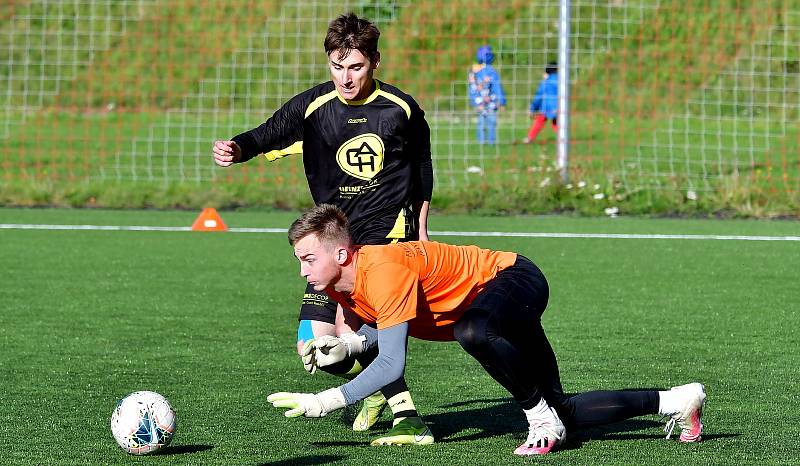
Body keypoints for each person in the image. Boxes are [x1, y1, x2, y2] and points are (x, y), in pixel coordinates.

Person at [268, 204, 707, 456]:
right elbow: (391, 330)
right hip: (494, 309)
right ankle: (678, 400)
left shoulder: (380, 269)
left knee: (472, 331)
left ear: (343, 254)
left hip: (515, 280)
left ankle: (538, 420)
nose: (302, 269)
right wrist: (349, 343)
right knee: (565, 412)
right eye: (299, 260)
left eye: (308, 258)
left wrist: (326, 401)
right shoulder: (344, 287)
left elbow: (392, 363)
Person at [211, 13, 434, 445]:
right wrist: (237, 148)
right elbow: (269, 133)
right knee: (314, 348)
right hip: (334, 237)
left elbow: (422, 168)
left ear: (375, 62)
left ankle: (404, 413)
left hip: (387, 238)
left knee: (360, 333)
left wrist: (421, 227)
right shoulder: (314, 106)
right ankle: (377, 390)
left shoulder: (402, 109)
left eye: (356, 67)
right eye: (337, 66)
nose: (346, 78)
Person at [468, 45, 506, 144]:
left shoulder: (476, 71)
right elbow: (497, 87)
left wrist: (474, 101)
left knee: (485, 122)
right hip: (485, 103)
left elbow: (472, 89)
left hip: (487, 102)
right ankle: (487, 143)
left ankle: (489, 143)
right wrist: (502, 101)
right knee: (488, 123)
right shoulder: (479, 72)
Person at [523, 62, 559, 144]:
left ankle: (530, 138)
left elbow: (538, 96)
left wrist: (532, 107)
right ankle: (562, 138)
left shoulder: (545, 82)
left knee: (539, 121)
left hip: (546, 107)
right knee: (556, 122)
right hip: (559, 107)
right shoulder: (562, 81)